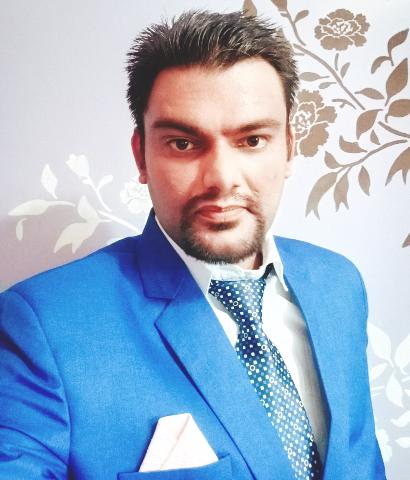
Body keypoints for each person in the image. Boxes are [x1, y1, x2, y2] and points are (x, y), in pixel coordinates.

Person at [0, 10, 385, 480]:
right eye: (183, 144)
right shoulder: (42, 324)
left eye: (252, 140)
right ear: (141, 156)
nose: (221, 178)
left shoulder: (339, 284)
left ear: (288, 147)